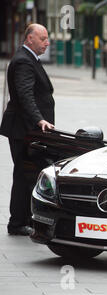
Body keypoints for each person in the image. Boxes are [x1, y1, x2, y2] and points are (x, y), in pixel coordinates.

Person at [0, 24, 54, 236]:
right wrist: (39, 119)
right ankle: (18, 223)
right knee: (25, 174)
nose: (47, 43)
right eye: (43, 38)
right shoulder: (23, 60)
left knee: (27, 174)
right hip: (24, 130)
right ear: (30, 38)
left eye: (47, 38)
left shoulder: (29, 58)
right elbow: (25, 96)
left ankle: (23, 220)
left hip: (28, 129)